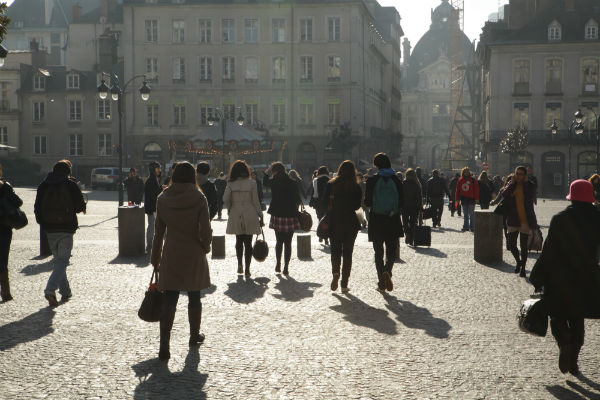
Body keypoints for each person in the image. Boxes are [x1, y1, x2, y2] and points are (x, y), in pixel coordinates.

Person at [530, 179, 600, 375]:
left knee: (557, 316)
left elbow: (549, 250)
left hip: (559, 276)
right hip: (586, 275)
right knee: (578, 318)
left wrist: (538, 276)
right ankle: (574, 361)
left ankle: (564, 343)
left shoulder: (560, 219)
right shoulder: (597, 218)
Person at [150, 162, 212, 360]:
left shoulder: (163, 198)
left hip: (172, 252)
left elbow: (158, 231)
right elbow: (205, 229)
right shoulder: (199, 197)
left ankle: (164, 346)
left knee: (170, 297)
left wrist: (155, 257)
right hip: (194, 251)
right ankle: (194, 335)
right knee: (194, 295)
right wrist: (205, 246)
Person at [34, 160, 86, 307]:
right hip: (66, 228)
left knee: (59, 260)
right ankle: (50, 290)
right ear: (67, 172)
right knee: (62, 261)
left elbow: (37, 207)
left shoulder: (43, 185)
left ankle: (65, 291)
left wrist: (43, 223)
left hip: (49, 229)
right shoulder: (70, 185)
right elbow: (79, 206)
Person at [364, 153, 404, 292]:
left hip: (377, 219)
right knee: (391, 250)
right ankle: (388, 271)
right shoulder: (397, 180)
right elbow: (402, 201)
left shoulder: (372, 181)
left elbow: (367, 202)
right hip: (392, 218)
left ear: (376, 165)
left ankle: (381, 281)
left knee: (378, 252)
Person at [322, 160, 362, 293]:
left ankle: (335, 273)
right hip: (350, 222)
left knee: (335, 251)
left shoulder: (331, 184)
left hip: (334, 221)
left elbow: (324, 202)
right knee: (348, 253)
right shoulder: (356, 186)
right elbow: (357, 206)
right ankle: (344, 284)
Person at [223, 160, 263, 277]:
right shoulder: (252, 183)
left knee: (238, 241)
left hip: (236, 212)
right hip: (250, 212)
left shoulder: (230, 184)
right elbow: (256, 201)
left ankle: (239, 264)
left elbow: (225, 198)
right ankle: (247, 269)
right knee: (248, 242)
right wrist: (260, 215)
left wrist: (230, 208)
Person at [263, 162, 301, 275]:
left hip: (277, 214)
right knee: (288, 243)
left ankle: (278, 264)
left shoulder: (274, 182)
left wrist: (267, 171)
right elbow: (297, 199)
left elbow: (264, 182)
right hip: (290, 215)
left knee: (279, 242)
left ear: (274, 171)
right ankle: (286, 267)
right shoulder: (292, 182)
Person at [500, 166, 538, 277]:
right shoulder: (512, 184)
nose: (518, 176)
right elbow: (504, 194)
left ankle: (523, 268)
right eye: (517, 173)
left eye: (521, 174)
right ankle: (519, 261)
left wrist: (525, 183)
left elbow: (530, 195)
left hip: (525, 220)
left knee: (523, 246)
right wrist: (511, 184)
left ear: (525, 175)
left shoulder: (529, 185)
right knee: (511, 245)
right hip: (513, 219)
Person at [0, 164, 23, 302]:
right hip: (3, 227)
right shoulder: (4, 186)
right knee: (2, 259)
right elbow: (18, 202)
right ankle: (6, 292)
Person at [144, 162, 163, 253]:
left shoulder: (155, 179)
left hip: (154, 208)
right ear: (153, 170)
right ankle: (150, 245)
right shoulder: (151, 180)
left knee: (155, 226)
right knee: (152, 226)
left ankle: (153, 245)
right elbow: (153, 194)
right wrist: (161, 189)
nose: (159, 170)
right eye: (157, 168)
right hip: (152, 208)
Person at [402, 168, 423, 246]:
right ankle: (411, 238)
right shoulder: (417, 184)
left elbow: (400, 196)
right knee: (413, 222)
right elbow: (419, 197)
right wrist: (420, 207)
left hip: (404, 206)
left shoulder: (403, 183)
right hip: (414, 207)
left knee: (405, 222)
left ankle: (407, 233)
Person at [455, 167, 479, 232]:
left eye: (467, 172)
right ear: (463, 172)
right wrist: (457, 198)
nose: (466, 173)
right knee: (465, 214)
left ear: (469, 172)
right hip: (463, 199)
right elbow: (458, 190)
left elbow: (476, 190)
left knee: (471, 214)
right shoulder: (460, 180)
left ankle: (472, 227)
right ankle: (466, 226)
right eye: (465, 172)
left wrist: (477, 198)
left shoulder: (473, 180)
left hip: (471, 199)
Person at [311, 166, 331, 245]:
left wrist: (311, 202)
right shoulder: (330, 180)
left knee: (320, 219)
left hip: (318, 203)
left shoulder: (315, 180)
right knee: (327, 220)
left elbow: (313, 193)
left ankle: (321, 235)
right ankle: (326, 237)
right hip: (327, 203)